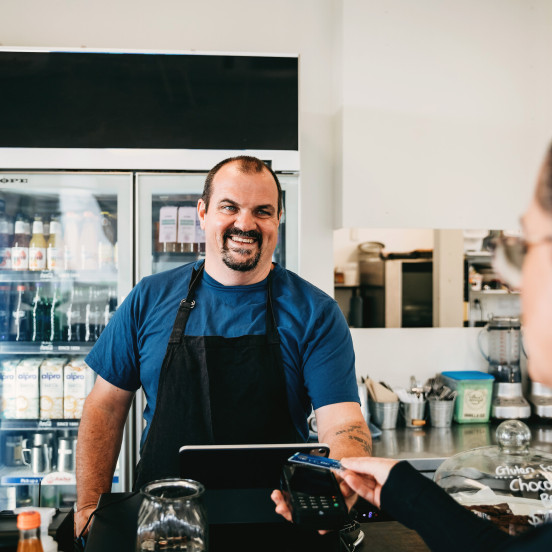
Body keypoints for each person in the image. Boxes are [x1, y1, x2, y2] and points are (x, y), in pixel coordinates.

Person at [275, 143, 552, 549]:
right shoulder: (150, 297)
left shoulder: (315, 310)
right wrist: (407, 492)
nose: (513, 281)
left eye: (523, 248)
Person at [75, 156, 371, 535]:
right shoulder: (149, 298)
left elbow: (343, 422)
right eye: (229, 207)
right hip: (164, 525)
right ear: (203, 212)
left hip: (280, 525)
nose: (245, 224)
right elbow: (105, 405)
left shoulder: (316, 312)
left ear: (278, 219)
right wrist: (87, 505)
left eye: (262, 211)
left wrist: (344, 474)